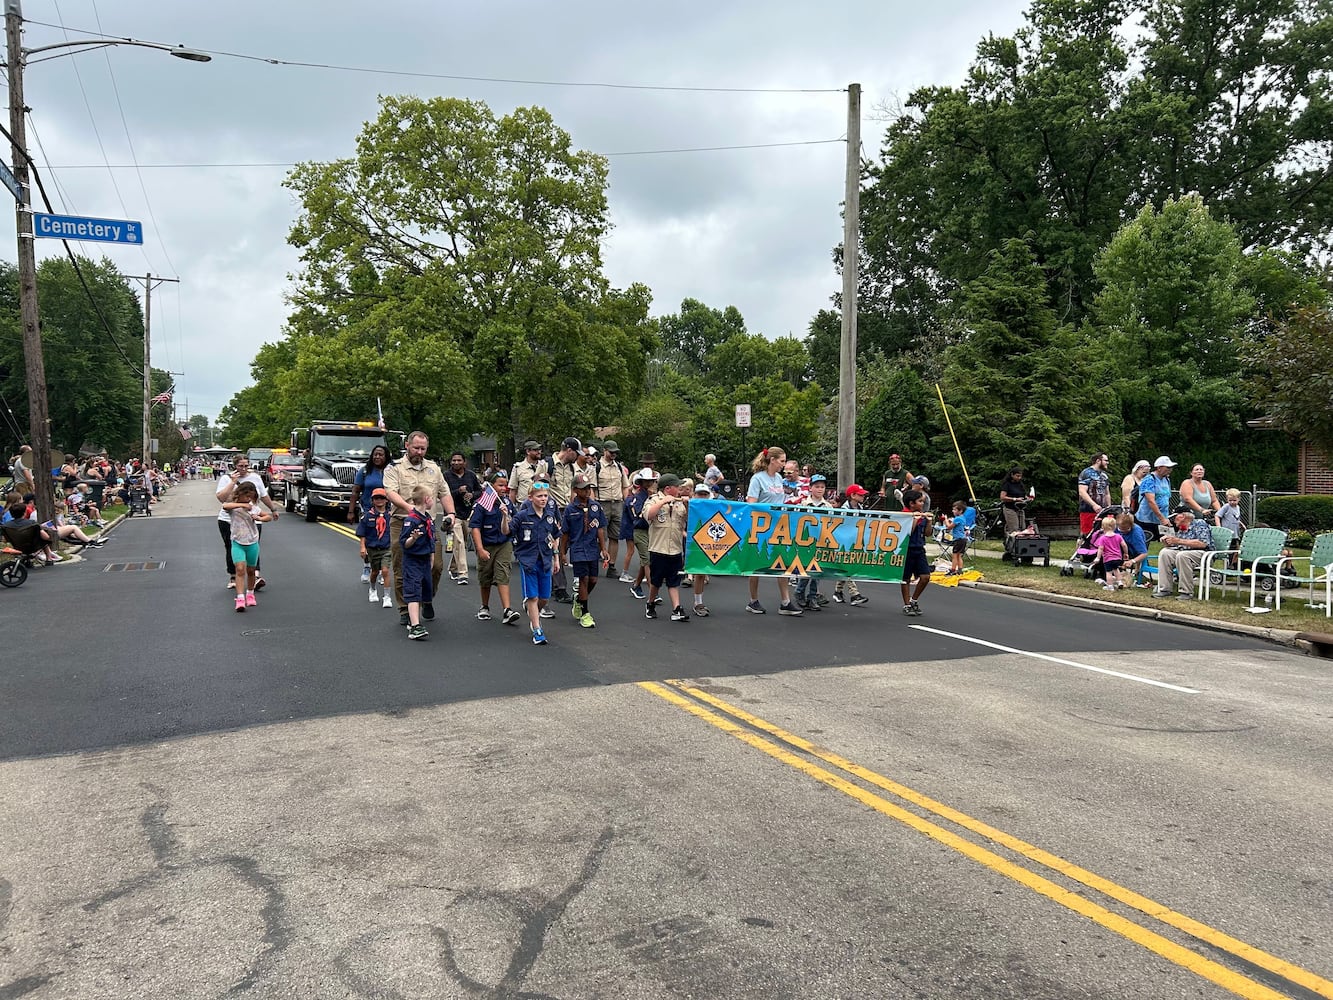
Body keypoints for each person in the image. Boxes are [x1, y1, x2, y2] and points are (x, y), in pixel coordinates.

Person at [383, 431, 456, 627]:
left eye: (423, 449)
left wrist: (451, 513)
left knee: (436, 566)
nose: (419, 452)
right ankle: (405, 609)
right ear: (407, 445)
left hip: (428, 524)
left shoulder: (434, 468)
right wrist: (412, 510)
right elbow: (390, 493)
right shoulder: (394, 468)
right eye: (416, 448)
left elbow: (444, 493)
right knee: (402, 569)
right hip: (402, 522)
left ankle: (426, 597)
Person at [745, 446, 802, 616]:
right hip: (761, 526)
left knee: (782, 560)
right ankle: (753, 600)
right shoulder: (758, 479)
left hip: (779, 526)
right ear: (772, 460)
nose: (784, 465)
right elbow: (751, 503)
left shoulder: (778, 478)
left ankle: (785, 602)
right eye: (782, 461)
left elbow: (782, 499)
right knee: (757, 563)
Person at [215, 456, 279, 591]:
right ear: (234, 466)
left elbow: (263, 495)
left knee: (253, 545)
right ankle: (233, 576)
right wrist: (233, 482)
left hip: (251, 518)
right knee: (231, 547)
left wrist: (273, 509)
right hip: (229, 520)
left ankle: (255, 576)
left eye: (246, 466)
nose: (243, 469)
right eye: (240, 466)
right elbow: (221, 499)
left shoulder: (255, 478)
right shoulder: (226, 478)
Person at [513, 479, 561, 645]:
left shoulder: (549, 516)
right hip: (528, 560)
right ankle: (537, 628)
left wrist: (556, 558)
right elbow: (508, 532)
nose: (543, 499)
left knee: (544, 597)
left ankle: (532, 612)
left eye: (545, 496)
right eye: (539, 496)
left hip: (545, 560)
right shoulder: (522, 516)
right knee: (532, 597)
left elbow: (554, 537)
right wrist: (504, 517)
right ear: (530, 497)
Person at [469, 470, 520, 625]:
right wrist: (480, 549)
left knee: (503, 572)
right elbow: (475, 527)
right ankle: (484, 606)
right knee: (485, 576)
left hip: (504, 543)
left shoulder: (507, 503)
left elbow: (515, 521)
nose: (504, 488)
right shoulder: (482, 503)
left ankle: (507, 609)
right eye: (500, 485)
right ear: (491, 486)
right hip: (487, 544)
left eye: (505, 485)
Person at [559, 472, 608, 628]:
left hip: (592, 547)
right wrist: (562, 552)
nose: (587, 491)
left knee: (593, 579)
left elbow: (600, 528)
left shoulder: (595, 506)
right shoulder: (570, 509)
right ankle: (585, 613)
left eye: (588, 488)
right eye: (583, 488)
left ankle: (579, 599)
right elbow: (565, 533)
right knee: (583, 579)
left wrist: (603, 548)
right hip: (578, 548)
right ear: (575, 490)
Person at [643, 473, 691, 622]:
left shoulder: (679, 503)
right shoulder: (653, 500)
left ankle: (677, 608)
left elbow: (690, 520)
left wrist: (687, 505)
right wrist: (663, 501)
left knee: (674, 580)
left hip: (675, 548)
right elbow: (649, 515)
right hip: (659, 548)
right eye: (677, 487)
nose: (680, 489)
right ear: (668, 488)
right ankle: (650, 603)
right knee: (656, 581)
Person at [221, 481, 272, 611]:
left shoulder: (254, 507)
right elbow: (225, 505)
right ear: (240, 494)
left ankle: (250, 594)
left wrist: (259, 518)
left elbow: (268, 517)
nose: (248, 499)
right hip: (237, 542)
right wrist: (242, 504)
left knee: (250, 571)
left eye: (251, 497)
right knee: (239, 569)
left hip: (252, 543)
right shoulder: (234, 508)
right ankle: (240, 598)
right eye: (246, 496)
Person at [547, 436, 583, 604]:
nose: (578, 456)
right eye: (577, 453)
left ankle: (552, 581)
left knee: (564, 547)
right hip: (551, 511)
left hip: (567, 511)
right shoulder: (548, 464)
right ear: (569, 450)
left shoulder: (573, 469)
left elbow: (573, 490)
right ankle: (559, 588)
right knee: (555, 548)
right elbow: (539, 487)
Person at [399, 484, 437, 640]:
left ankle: (417, 613)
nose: (433, 501)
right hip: (413, 560)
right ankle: (415, 626)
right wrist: (413, 538)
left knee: (425, 588)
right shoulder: (411, 520)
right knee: (413, 590)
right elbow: (404, 544)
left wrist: (432, 555)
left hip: (425, 560)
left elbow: (431, 538)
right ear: (427, 499)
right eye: (432, 498)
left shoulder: (427, 518)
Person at [1152, 508, 1213, 601]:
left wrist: (1179, 541)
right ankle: (1164, 589)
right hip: (1185, 551)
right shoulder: (1182, 527)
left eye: (1175, 517)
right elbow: (1179, 544)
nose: (1173, 520)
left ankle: (1186, 592)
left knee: (1182, 555)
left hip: (1203, 553)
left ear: (1183, 516)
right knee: (1165, 553)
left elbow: (1203, 543)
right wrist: (1168, 542)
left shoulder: (1200, 524)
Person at [351, 445, 391, 583]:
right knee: (368, 541)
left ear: (386, 457)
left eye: (381, 455)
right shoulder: (365, 471)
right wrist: (351, 511)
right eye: (375, 454)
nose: (377, 457)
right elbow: (356, 491)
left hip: (387, 511)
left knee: (384, 540)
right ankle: (367, 567)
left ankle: (381, 569)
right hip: (368, 510)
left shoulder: (391, 471)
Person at [793, 474, 831, 610]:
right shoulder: (804, 504)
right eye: (817, 486)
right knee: (805, 569)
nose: (820, 489)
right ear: (810, 488)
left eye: (822, 487)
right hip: (806, 541)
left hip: (820, 541)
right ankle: (799, 592)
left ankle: (813, 596)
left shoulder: (828, 506)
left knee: (817, 570)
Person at [443, 452, 482, 585]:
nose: (456, 463)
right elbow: (443, 495)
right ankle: (462, 574)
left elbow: (479, 491)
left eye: (459, 460)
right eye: (453, 460)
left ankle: (453, 567)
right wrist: (458, 492)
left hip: (469, 513)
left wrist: (472, 495)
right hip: (454, 514)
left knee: (463, 543)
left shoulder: (471, 475)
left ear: (464, 462)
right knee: (458, 542)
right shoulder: (446, 476)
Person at [355, 487, 395, 608]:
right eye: (376, 498)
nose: (379, 501)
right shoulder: (367, 517)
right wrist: (363, 547)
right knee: (375, 572)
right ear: (372, 500)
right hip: (373, 549)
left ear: (386, 500)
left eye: (382, 498)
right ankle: (372, 590)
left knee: (386, 571)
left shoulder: (391, 516)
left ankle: (387, 597)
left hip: (387, 548)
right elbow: (362, 534)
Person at [833, 484, 872, 606]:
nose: (863, 496)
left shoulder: (860, 508)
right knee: (848, 567)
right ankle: (854, 594)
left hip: (855, 541)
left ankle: (838, 591)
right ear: (853, 496)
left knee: (848, 566)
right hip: (844, 542)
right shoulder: (844, 510)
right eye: (860, 494)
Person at [596, 441, 630, 577]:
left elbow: (625, 486)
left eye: (615, 452)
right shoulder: (596, 467)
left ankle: (612, 566)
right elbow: (592, 487)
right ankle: (599, 559)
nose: (613, 455)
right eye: (611, 452)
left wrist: (625, 502)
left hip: (617, 503)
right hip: (602, 503)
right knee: (600, 536)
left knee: (615, 536)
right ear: (604, 451)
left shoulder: (619, 468)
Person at [621, 468, 656, 597]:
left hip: (649, 531)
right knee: (647, 560)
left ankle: (636, 585)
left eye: (650, 481)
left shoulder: (649, 495)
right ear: (640, 482)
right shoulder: (637, 498)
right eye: (645, 481)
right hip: (640, 530)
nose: (648, 483)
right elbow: (637, 515)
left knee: (644, 561)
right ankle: (653, 592)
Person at [899, 488, 932, 616]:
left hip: (919, 549)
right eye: (920, 501)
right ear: (912, 503)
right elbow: (907, 533)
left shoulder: (922, 515)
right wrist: (914, 520)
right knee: (905, 579)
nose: (922, 504)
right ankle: (907, 604)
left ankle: (914, 600)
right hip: (907, 550)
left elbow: (927, 534)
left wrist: (929, 522)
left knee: (925, 577)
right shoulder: (904, 515)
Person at [1134, 456, 1176, 542]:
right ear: (1159, 468)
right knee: (1144, 542)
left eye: (1171, 467)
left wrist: (1165, 517)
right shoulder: (1149, 480)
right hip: (1147, 519)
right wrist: (1162, 518)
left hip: (1163, 518)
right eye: (1168, 467)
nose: (1170, 469)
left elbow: (1166, 498)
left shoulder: (1167, 479)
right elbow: (1151, 501)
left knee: (1168, 540)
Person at [688, 480, 714, 616]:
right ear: (694, 495)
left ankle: (698, 602)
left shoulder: (714, 508)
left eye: (705, 494)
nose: (702, 497)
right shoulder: (688, 505)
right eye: (700, 494)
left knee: (700, 572)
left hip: (705, 542)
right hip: (686, 541)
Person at [1077, 453, 1112, 537]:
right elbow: (1082, 492)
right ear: (1098, 461)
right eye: (1105, 460)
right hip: (1088, 510)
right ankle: (1081, 550)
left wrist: (1109, 508)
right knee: (1087, 535)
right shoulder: (1086, 473)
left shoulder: (1104, 476)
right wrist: (1094, 505)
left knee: (1103, 535)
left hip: (1103, 511)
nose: (1108, 462)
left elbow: (1107, 493)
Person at [1091, 514, 1128, 590]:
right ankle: (1120, 582)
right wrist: (1126, 553)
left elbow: (1100, 549)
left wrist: (1098, 558)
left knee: (1108, 572)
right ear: (1115, 526)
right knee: (1116, 570)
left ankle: (1110, 586)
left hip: (1108, 559)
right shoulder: (1118, 536)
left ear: (1103, 527)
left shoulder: (1103, 538)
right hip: (1117, 557)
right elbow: (1124, 545)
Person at [1115, 512, 1150, 586]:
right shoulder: (1115, 529)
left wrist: (1132, 561)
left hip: (1132, 551)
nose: (1123, 531)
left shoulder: (1136, 533)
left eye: (1126, 529)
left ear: (1131, 526)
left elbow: (1144, 553)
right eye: (1121, 529)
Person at [509, 440, 549, 504]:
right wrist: (511, 509)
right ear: (528, 451)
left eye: (539, 449)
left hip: (541, 505)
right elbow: (513, 490)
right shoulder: (518, 467)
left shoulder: (545, 466)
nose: (539, 452)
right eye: (535, 450)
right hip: (523, 505)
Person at [998, 467, 1028, 535]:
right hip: (1010, 508)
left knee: (1022, 527)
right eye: (1017, 476)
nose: (1019, 478)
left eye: (1020, 476)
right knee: (1014, 528)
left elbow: (1023, 494)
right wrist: (1014, 499)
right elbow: (1002, 497)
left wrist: (1027, 498)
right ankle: (1012, 543)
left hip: (1020, 508)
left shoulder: (1020, 484)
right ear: (1012, 475)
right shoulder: (1007, 484)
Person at [945, 499, 969, 576]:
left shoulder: (957, 518)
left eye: (955, 510)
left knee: (954, 555)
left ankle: (953, 570)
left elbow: (949, 527)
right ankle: (960, 570)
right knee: (959, 556)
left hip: (958, 539)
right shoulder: (963, 518)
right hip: (963, 539)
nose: (953, 511)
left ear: (960, 511)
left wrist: (945, 519)